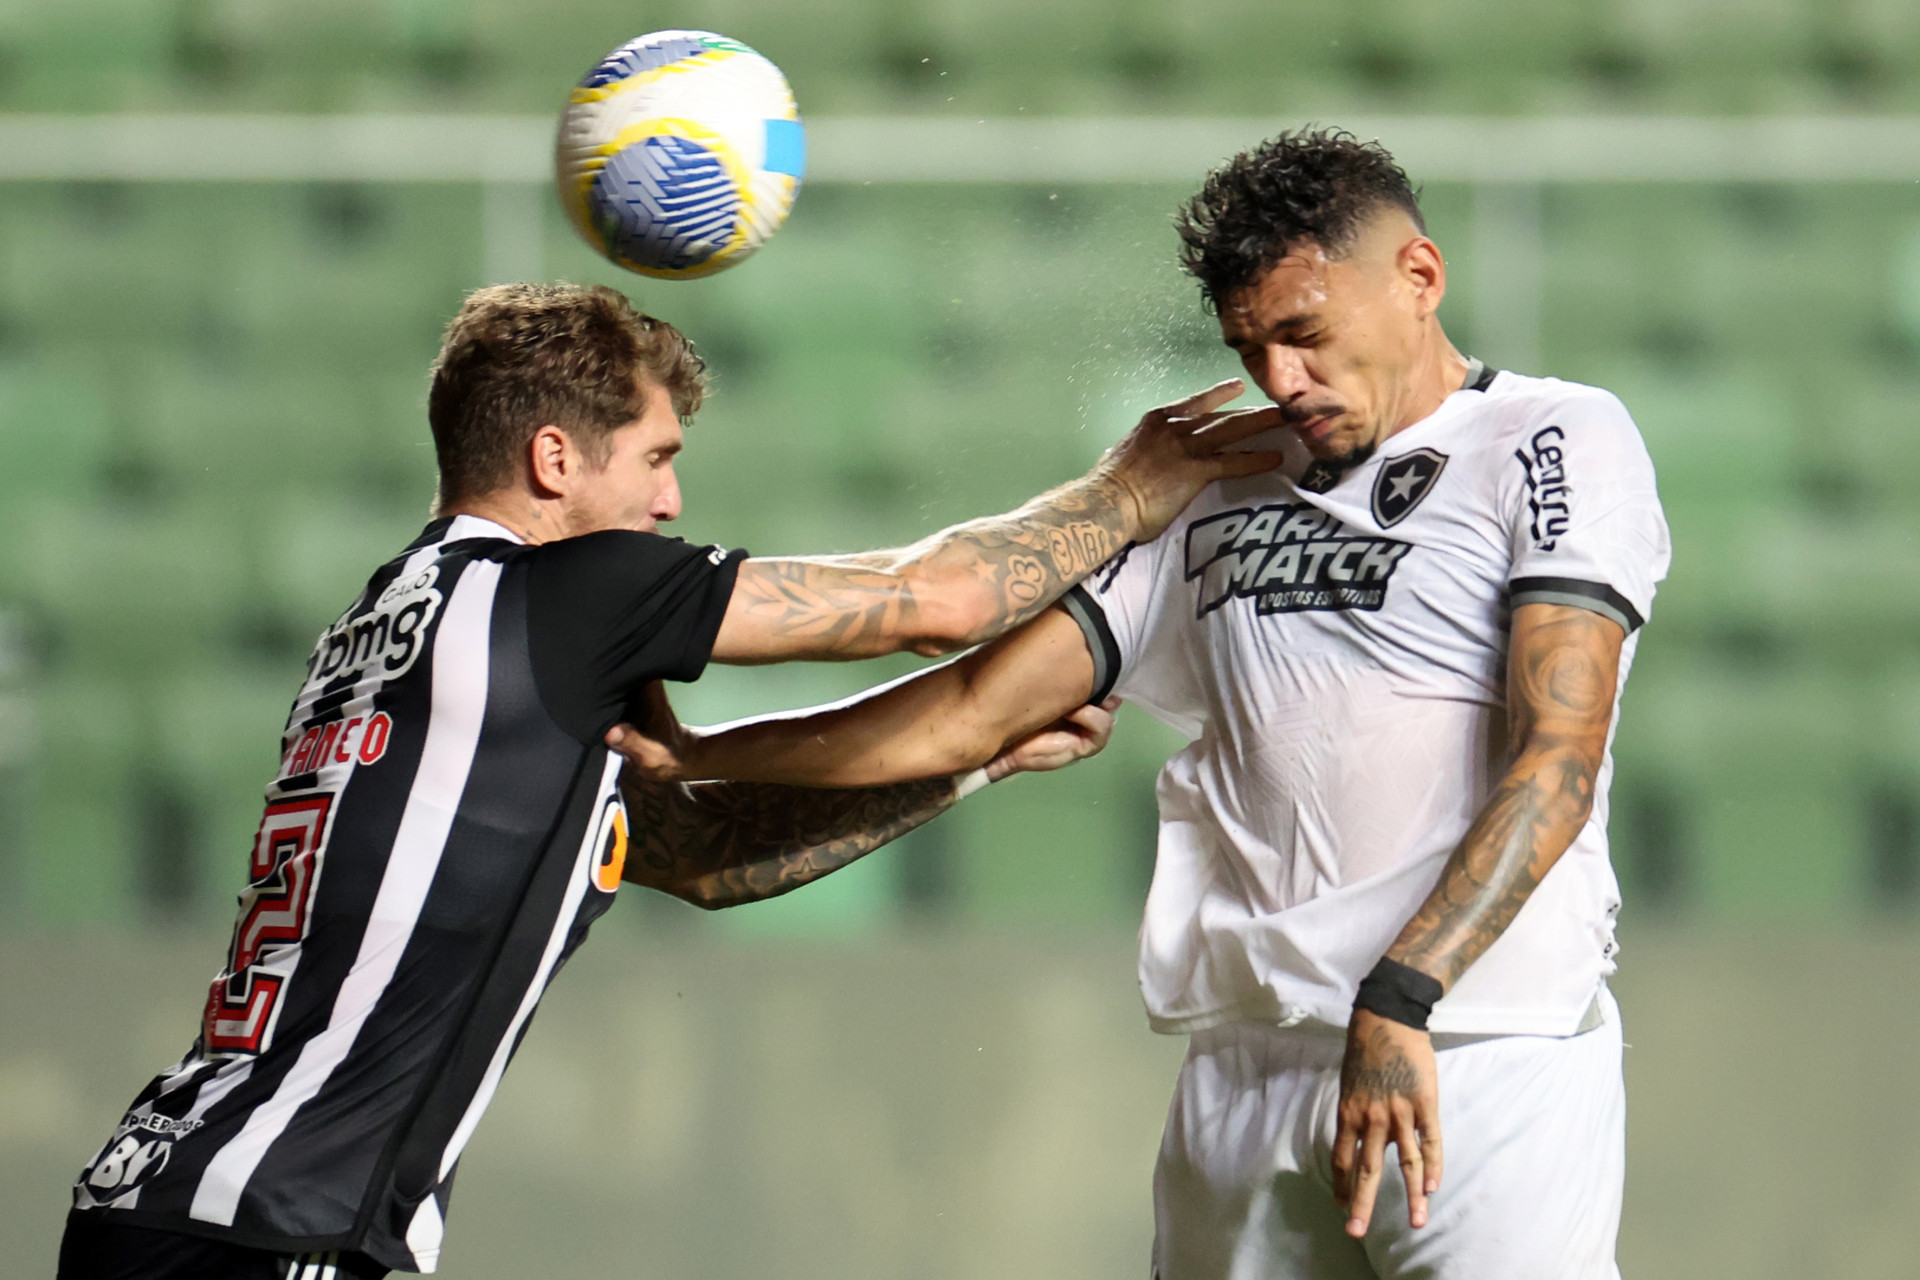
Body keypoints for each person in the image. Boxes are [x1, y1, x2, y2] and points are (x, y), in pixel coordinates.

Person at [59, 281, 1285, 1280]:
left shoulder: (395, 628)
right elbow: (942, 600)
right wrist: (1127, 491)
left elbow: (704, 857)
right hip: (268, 1223)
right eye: (654, 456)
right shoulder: (563, 596)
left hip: (178, 1190)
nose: (671, 498)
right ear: (554, 458)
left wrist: (978, 760)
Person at [607, 129, 1672, 1279]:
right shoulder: (1221, 481)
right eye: (1250, 346)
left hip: (1476, 1044)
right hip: (1246, 1063)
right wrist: (706, 755)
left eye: (1305, 333)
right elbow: (972, 709)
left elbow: (1557, 756)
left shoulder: (1551, 437)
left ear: (1419, 276)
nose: (1281, 378)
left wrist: (1404, 992)